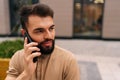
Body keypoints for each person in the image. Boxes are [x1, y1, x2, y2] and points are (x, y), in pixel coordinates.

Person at [5, 3, 80, 80]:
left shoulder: (68, 60)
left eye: (51, 28)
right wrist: (26, 73)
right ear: (25, 34)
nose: (49, 36)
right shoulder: (17, 58)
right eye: (40, 31)